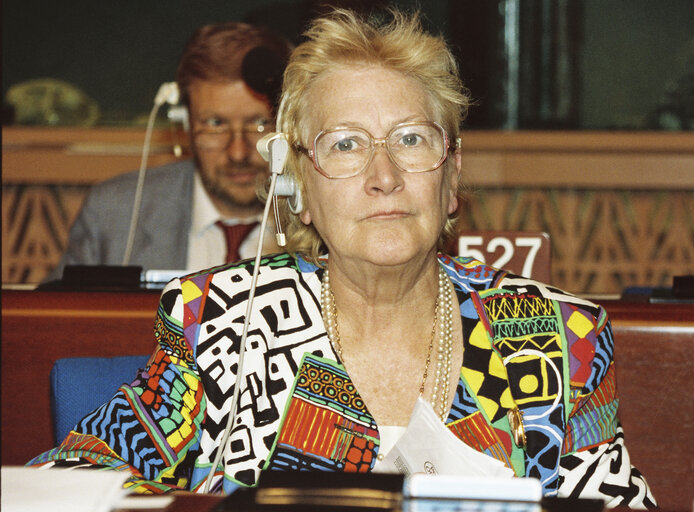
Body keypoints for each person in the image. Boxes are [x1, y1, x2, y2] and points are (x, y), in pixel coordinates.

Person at [30, 8, 657, 508]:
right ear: (300, 185)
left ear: (452, 173)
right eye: (346, 145)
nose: (383, 176)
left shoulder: (555, 336)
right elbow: (70, 475)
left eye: (412, 139)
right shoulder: (220, 321)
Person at [45, 22, 290, 281]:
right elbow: (52, 317)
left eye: (259, 123)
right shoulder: (114, 214)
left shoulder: (321, 216)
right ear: (185, 124)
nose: (238, 153)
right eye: (215, 124)